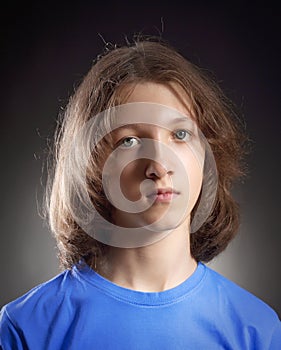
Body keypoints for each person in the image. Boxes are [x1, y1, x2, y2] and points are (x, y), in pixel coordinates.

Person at [0, 37, 280, 350]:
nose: (160, 165)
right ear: (92, 164)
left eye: (180, 134)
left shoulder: (257, 329)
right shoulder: (25, 328)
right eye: (129, 141)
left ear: (208, 155)